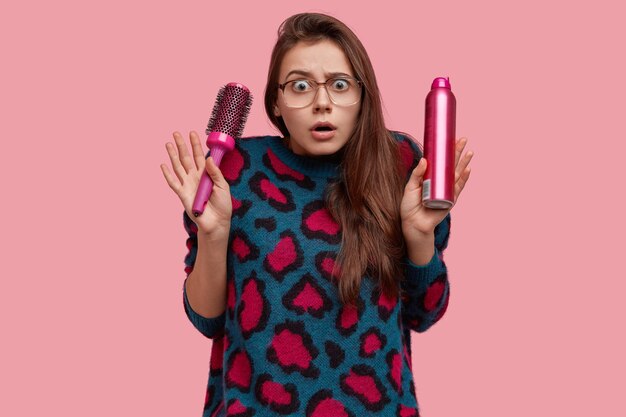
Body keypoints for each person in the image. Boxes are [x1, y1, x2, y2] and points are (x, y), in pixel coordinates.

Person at [161, 12, 472, 417]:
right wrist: (213, 234)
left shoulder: (399, 165)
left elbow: (424, 313)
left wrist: (419, 235)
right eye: (300, 85)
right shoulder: (235, 171)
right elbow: (206, 320)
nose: (321, 102)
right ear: (275, 99)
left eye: (339, 85)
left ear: (363, 96)